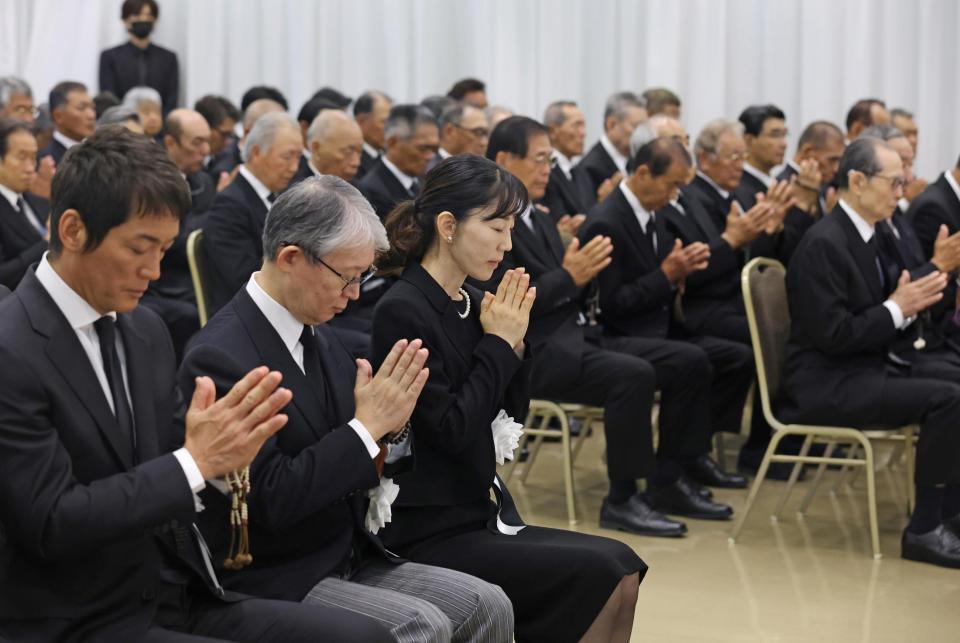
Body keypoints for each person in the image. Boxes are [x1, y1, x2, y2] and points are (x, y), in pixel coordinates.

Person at [0, 125, 393, 642]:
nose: (155, 270)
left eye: (164, 249)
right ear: (72, 230)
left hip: (178, 589)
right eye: (140, 248)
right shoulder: (12, 347)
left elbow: (182, 462)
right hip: (74, 614)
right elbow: (52, 520)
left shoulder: (144, 330)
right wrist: (197, 462)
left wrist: (228, 458)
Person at [180, 175, 515, 643]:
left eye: (363, 277)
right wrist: (367, 428)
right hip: (275, 572)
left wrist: (392, 429)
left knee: (487, 603)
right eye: (347, 276)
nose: (355, 294)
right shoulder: (221, 356)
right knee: (422, 625)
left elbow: (367, 455)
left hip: (345, 550)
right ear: (291, 258)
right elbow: (271, 499)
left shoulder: (322, 337)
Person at [372, 154, 645, 643]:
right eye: (496, 228)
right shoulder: (404, 308)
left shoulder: (475, 301)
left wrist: (516, 344)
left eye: (512, 228)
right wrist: (499, 345)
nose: (508, 244)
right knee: (606, 573)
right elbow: (452, 431)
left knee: (623, 571)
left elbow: (510, 418)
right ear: (448, 226)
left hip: (478, 510)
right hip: (427, 526)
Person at [784, 136, 960, 569]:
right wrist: (897, 308)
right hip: (827, 380)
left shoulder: (873, 231)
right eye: (894, 182)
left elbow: (889, 303)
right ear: (858, 181)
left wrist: (909, 301)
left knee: (954, 382)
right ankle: (924, 530)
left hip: (866, 363)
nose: (902, 191)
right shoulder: (824, 243)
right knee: (948, 399)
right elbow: (834, 336)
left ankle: (950, 517)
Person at [203, 112, 302, 314]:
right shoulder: (229, 206)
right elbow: (243, 278)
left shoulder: (279, 196)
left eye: (298, 157)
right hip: (249, 314)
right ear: (256, 152)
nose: (294, 167)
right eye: (287, 157)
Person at [142, 108, 215, 360]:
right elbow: (174, 245)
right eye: (197, 142)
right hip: (163, 283)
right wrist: (216, 215)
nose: (205, 150)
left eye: (207, 141)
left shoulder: (204, 181)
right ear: (170, 143)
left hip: (195, 279)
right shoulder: (151, 184)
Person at [99, 0, 179, 114]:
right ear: (125, 20)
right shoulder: (110, 57)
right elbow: (108, 98)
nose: (143, 19)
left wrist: (158, 121)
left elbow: (171, 100)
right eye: (137, 15)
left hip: (159, 121)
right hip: (120, 122)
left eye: (148, 15)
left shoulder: (168, 58)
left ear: (155, 21)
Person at [0, 118, 48, 289]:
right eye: (21, 158)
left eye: (33, 158)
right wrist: (47, 244)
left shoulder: (39, 202)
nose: (30, 168)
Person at [578, 91, 646, 203]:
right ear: (612, 125)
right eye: (636, 126)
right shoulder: (589, 168)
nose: (641, 134)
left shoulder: (636, 160)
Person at [541, 100, 595, 223]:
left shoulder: (580, 171)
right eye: (576, 126)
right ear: (553, 131)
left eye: (583, 126)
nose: (583, 133)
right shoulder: (545, 173)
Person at [38, 81, 96, 165]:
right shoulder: (46, 161)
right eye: (81, 108)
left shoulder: (98, 155)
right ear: (58, 116)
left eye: (92, 108)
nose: (91, 115)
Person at [304, 109, 365, 183]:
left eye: (359, 152)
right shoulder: (297, 188)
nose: (356, 163)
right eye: (348, 152)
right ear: (316, 148)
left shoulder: (359, 188)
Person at [430, 102, 490, 169]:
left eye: (486, 134)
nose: (484, 143)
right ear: (449, 131)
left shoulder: (482, 169)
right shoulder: (428, 168)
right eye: (478, 132)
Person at [353, 90, 393, 180]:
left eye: (392, 122)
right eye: (384, 122)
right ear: (361, 121)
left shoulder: (388, 156)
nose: (391, 129)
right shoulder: (351, 161)